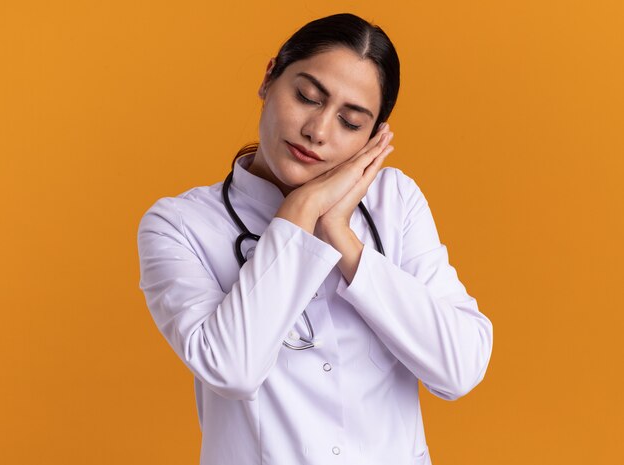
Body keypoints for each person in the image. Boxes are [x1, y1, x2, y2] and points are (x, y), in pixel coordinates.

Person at [137, 12, 493, 465]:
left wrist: (343, 240)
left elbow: (459, 367)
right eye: (308, 97)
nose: (318, 131)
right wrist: (301, 211)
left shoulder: (395, 201)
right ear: (269, 78)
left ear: (374, 137)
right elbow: (232, 369)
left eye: (350, 122)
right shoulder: (179, 225)